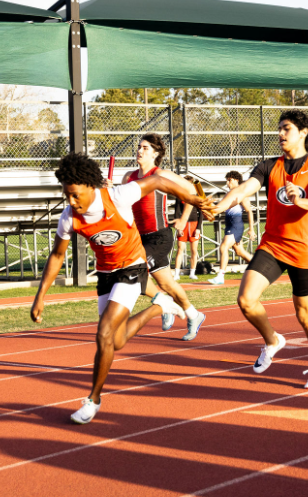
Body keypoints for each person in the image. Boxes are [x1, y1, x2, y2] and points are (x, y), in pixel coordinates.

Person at [31, 152, 210, 425]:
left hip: (132, 267)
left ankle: (93, 400)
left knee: (103, 335)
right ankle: (159, 306)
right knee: (115, 341)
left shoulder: (117, 196)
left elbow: (158, 181)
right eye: (66, 195)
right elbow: (57, 256)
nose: (71, 201)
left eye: (76, 195)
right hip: (105, 274)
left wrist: (190, 199)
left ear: (92, 187)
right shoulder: (68, 217)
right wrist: (40, 296)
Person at [211, 109, 308, 388]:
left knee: (304, 314)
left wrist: (301, 202)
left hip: (305, 249)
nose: (280, 134)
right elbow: (243, 190)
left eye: (286, 128)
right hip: (274, 245)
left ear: (302, 132)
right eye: (279, 129)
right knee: (246, 300)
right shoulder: (268, 166)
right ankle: (273, 340)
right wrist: (220, 205)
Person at [123, 135, 205, 341]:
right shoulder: (128, 177)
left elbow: (192, 191)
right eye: (139, 147)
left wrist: (184, 219)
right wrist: (110, 189)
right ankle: (194, 315)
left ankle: (164, 304)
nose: (140, 151)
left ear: (156, 153)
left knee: (133, 270)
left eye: (145, 148)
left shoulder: (160, 174)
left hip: (160, 236)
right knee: (168, 284)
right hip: (139, 238)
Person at [208, 170, 256, 285]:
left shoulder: (241, 194)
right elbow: (220, 208)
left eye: (230, 180)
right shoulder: (228, 195)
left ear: (237, 180)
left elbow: (249, 211)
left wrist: (251, 229)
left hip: (236, 226)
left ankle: (220, 276)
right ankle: (260, 269)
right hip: (230, 225)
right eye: (227, 180)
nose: (227, 183)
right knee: (240, 252)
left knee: (223, 247)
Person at [172, 177, 203, 281]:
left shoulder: (197, 195)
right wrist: (179, 227)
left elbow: (201, 213)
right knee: (180, 249)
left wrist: (198, 228)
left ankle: (192, 273)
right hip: (183, 224)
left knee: (194, 250)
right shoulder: (179, 195)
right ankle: (176, 273)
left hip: (194, 224)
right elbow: (176, 212)